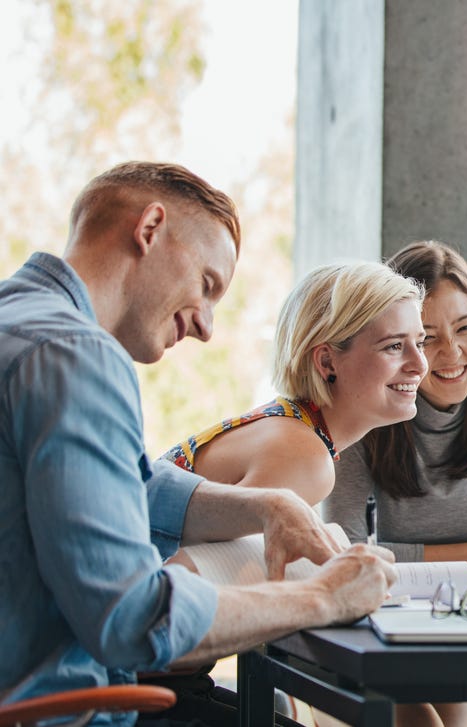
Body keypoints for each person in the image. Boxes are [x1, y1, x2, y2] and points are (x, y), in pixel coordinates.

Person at [0, 162, 398, 727]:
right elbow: (133, 619)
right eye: (207, 285)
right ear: (150, 229)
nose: (207, 326)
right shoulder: (76, 356)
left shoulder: (18, 323)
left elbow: (119, 486)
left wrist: (266, 505)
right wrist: (326, 596)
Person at [324, 240, 467, 727]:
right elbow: (345, 558)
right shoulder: (364, 409)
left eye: (466, 328)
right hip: (377, 625)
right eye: (426, 337)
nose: (451, 353)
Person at [161, 261, 428, 507]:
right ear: (326, 362)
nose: (420, 365)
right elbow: (191, 559)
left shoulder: (293, 427)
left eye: (420, 343)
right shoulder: (305, 459)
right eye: (394, 346)